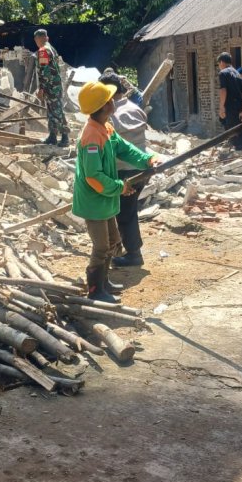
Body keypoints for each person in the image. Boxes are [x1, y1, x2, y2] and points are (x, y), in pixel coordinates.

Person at [72, 81, 160, 303]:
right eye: (109, 100)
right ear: (103, 106)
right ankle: (95, 288)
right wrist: (120, 187)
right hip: (94, 200)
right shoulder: (92, 136)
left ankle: (104, 281)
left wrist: (146, 159)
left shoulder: (106, 127)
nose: (113, 102)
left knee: (112, 241)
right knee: (101, 246)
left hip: (105, 197)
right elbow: (93, 176)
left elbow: (124, 148)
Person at [99, 72, 148, 268]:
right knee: (127, 211)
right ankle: (125, 249)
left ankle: (133, 254)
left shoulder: (111, 116)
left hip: (123, 172)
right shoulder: (134, 108)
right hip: (141, 169)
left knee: (124, 213)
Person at [33, 29, 69, 147]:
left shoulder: (43, 51)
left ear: (38, 38)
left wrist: (41, 88)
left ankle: (64, 137)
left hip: (51, 86)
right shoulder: (51, 48)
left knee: (56, 111)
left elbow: (45, 71)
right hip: (55, 85)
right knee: (53, 111)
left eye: (36, 39)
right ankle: (53, 136)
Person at [216, 52, 242, 152]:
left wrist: (221, 107)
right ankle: (236, 146)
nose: (219, 66)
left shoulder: (223, 73)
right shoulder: (237, 73)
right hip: (239, 105)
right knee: (229, 124)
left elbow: (223, 90)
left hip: (230, 105)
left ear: (221, 62)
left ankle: (238, 151)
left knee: (232, 129)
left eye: (218, 64)